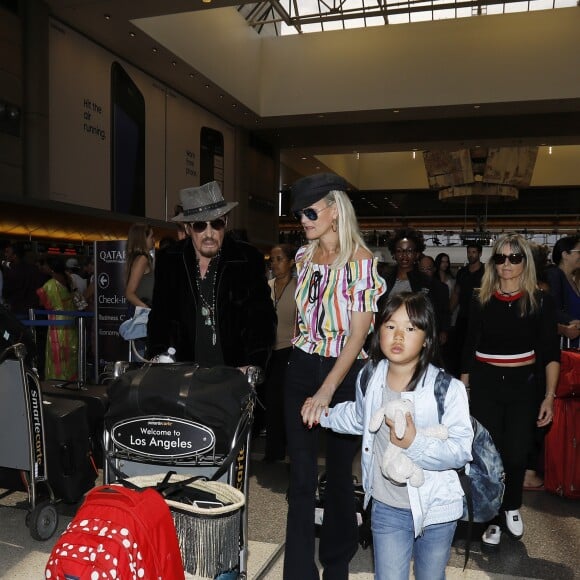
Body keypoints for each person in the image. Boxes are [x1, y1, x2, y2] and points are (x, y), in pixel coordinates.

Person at [303, 292, 473, 580]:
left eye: (410, 328)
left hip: (436, 509)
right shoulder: (370, 376)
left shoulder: (447, 389)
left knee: (431, 576)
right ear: (377, 330)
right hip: (386, 506)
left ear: (427, 338)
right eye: (390, 326)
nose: (398, 336)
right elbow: (360, 417)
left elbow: (460, 451)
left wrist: (414, 443)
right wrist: (324, 414)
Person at [283, 173, 386, 580]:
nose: (304, 220)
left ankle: (338, 564)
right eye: (299, 214)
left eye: (310, 212)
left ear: (334, 210)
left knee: (341, 475)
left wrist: (327, 390)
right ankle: (297, 571)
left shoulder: (360, 262)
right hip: (302, 365)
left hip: (343, 373)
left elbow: (359, 334)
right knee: (302, 474)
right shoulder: (303, 258)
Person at [460, 233, 560, 550]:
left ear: (524, 263)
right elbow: (469, 346)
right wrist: (463, 387)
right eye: (500, 257)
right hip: (486, 383)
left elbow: (550, 353)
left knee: (517, 452)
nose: (506, 264)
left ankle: (511, 505)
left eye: (514, 258)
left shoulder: (540, 301)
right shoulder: (480, 298)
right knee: (489, 455)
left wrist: (549, 396)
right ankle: (491, 518)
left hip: (523, 387)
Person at [147, 181, 276, 370]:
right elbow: (160, 315)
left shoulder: (247, 259)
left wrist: (254, 364)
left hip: (234, 373)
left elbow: (262, 318)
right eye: (200, 225)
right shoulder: (170, 261)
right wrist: (159, 355)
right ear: (188, 228)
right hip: (183, 372)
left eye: (216, 224)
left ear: (226, 222)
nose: (209, 234)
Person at [380, 229, 450, 348]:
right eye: (399, 251)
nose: (404, 255)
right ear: (394, 254)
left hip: (417, 339)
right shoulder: (383, 281)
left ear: (417, 254)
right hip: (388, 337)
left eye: (409, 251)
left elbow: (441, 309)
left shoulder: (429, 283)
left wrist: (443, 330)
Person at [262, 243, 297, 463]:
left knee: (287, 403)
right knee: (271, 402)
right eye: (272, 260)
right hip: (269, 353)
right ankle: (273, 452)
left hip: (290, 351)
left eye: (279, 259)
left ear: (291, 261)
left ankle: (291, 449)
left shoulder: (299, 287)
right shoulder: (267, 286)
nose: (274, 263)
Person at [36, 256, 78, 380]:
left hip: (57, 323)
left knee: (57, 352)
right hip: (71, 322)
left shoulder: (50, 284)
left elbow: (41, 303)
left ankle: (57, 379)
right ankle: (70, 378)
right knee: (70, 352)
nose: (43, 267)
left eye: (45, 265)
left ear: (51, 268)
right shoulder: (68, 279)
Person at [449, 242, 484, 376]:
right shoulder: (462, 272)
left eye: (474, 252)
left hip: (480, 318)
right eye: (469, 252)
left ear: (480, 254)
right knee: (460, 349)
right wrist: (448, 312)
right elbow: (456, 293)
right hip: (463, 316)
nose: (471, 255)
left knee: (476, 348)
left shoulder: (485, 272)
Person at [546, 235, 580, 348]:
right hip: (565, 343)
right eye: (579, 251)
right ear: (565, 254)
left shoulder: (572, 279)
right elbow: (551, 308)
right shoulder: (555, 275)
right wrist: (571, 320)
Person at [125, 223, 155, 311]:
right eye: (151, 237)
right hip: (144, 313)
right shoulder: (142, 259)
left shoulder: (141, 258)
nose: (153, 240)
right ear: (143, 239)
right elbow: (129, 293)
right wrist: (147, 310)